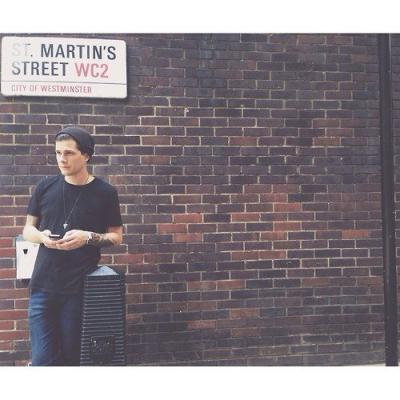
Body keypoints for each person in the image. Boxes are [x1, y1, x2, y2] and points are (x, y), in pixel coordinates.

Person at [23, 126, 123, 366]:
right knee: (42, 361)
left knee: (73, 360)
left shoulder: (105, 192)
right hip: (42, 287)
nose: (62, 159)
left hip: (79, 290)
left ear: (86, 155)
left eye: (68, 153)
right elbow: (28, 230)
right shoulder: (45, 187)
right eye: (58, 153)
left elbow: (116, 237)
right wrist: (43, 238)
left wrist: (87, 237)